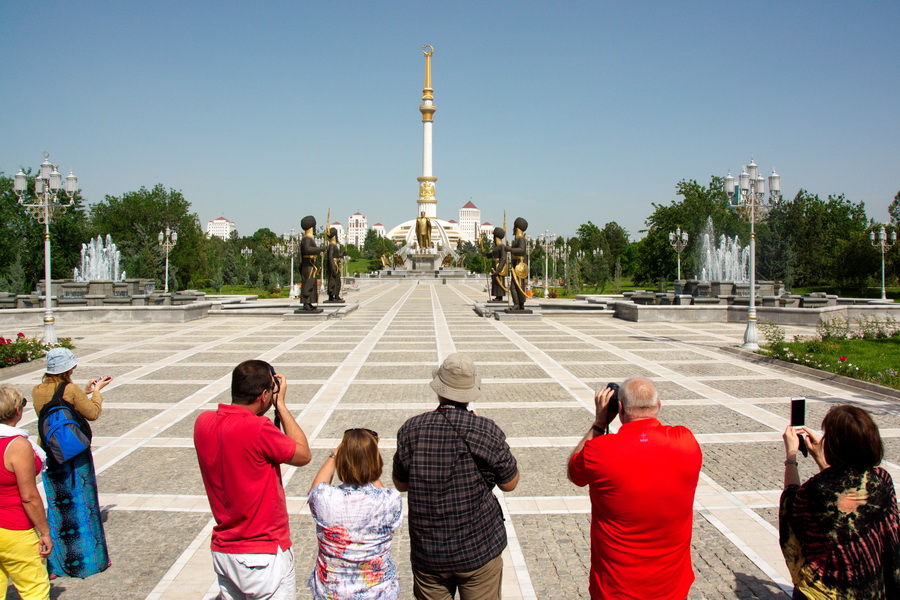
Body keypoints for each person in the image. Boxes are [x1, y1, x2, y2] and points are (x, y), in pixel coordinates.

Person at [393, 353, 519, 600]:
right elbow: (510, 483)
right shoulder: (485, 429)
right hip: (478, 548)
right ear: (470, 392)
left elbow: (401, 483)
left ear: (439, 390)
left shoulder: (411, 429)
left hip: (429, 551)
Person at [568, 377, 702, 600]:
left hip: (615, 587)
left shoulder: (599, 451)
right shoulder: (685, 441)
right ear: (658, 406)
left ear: (619, 409)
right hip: (672, 586)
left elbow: (575, 471)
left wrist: (599, 423)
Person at [194, 359, 312, 600]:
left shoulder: (203, 422)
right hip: (262, 553)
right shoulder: (258, 428)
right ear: (264, 394)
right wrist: (281, 406)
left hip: (225, 551)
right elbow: (303, 455)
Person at [780, 405, 899, 599]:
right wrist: (821, 459)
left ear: (834, 445)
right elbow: (842, 488)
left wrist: (791, 456)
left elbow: (790, 507)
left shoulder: (816, 489)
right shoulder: (881, 480)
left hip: (823, 591)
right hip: (869, 588)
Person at [31, 347, 111, 579]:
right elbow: (92, 413)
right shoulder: (71, 389)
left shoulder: (37, 390)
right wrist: (96, 392)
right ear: (69, 368)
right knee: (83, 506)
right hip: (74, 455)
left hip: (50, 452)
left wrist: (82, 392)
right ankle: (90, 561)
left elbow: (58, 406)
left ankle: (56, 564)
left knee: (58, 507)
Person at [307, 428, 402, 599]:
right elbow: (380, 490)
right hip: (377, 593)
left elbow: (316, 487)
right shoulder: (390, 500)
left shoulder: (325, 499)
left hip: (332, 593)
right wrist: (366, 460)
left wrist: (336, 454)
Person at [0, 386, 52, 599]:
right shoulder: (16, 445)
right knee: (34, 588)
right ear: (16, 410)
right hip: (14, 526)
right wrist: (45, 532)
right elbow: (29, 496)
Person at [299, 215, 325, 312]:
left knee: (312, 284)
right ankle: (306, 303)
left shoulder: (310, 239)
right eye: (314, 227)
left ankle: (309, 302)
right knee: (308, 284)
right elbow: (307, 249)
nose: (315, 229)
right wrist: (320, 249)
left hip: (311, 265)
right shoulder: (306, 239)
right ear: (310, 227)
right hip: (308, 265)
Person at [507, 218, 528, 310]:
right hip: (515, 263)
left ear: (517, 227)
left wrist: (509, 249)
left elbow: (522, 250)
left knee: (517, 285)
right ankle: (519, 303)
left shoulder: (521, 239)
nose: (513, 229)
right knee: (515, 285)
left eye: (514, 226)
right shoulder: (516, 240)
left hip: (520, 264)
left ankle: (518, 303)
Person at [483, 227, 507, 302]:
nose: (493, 238)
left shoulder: (502, 246)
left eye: (494, 236)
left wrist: (499, 269)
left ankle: (500, 296)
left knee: (499, 281)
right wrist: (486, 255)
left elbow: (503, 258)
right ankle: (497, 296)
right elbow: (492, 255)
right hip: (494, 266)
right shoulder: (496, 247)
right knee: (495, 282)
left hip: (499, 267)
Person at [325, 226, 345, 302]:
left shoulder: (334, 245)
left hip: (336, 264)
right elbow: (330, 257)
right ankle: (331, 296)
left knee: (337, 281)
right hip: (333, 265)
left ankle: (336, 295)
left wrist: (342, 254)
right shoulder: (332, 245)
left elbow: (336, 255)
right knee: (333, 280)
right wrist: (333, 267)